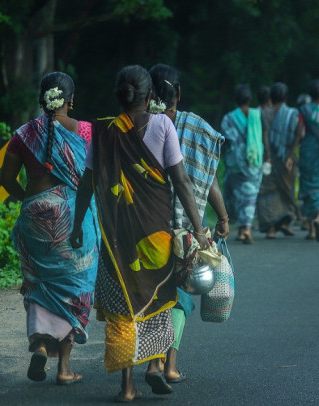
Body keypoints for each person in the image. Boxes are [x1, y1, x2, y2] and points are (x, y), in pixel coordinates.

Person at [70, 65, 209, 403]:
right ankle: (154, 367)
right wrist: (199, 230)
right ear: (149, 97)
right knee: (157, 300)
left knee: (122, 307)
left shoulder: (103, 132)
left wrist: (76, 225)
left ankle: (127, 386)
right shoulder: (163, 124)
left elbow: (87, 182)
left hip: (118, 241)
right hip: (156, 237)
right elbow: (181, 182)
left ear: (119, 96)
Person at [1, 72, 100, 386]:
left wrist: (30, 201)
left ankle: (42, 345)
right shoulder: (86, 131)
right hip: (74, 216)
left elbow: (5, 181)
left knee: (40, 285)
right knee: (74, 287)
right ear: (71, 100)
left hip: (34, 217)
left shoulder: (23, 134)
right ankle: (65, 368)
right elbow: (97, 177)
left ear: (42, 99)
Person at [149, 64, 229, 385]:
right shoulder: (198, 128)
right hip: (186, 230)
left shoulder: (137, 126)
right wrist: (220, 217)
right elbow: (208, 180)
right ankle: (169, 363)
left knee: (151, 296)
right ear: (178, 94)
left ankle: (151, 363)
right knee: (180, 296)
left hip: (145, 229)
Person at [288, 79, 319, 241]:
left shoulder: (304, 110)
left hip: (308, 151)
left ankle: (311, 229)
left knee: (307, 187)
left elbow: (299, 132)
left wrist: (290, 152)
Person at [221, 84, 264, 244]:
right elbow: (263, 136)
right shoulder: (257, 116)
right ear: (250, 99)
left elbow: (225, 140)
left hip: (235, 163)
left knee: (239, 196)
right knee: (250, 196)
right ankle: (246, 229)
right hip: (253, 161)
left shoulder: (229, 118)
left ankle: (241, 230)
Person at [257, 82, 299, 239]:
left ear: (271, 97)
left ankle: (271, 229)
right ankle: (285, 223)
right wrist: (290, 155)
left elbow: (265, 136)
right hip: (287, 159)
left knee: (268, 193)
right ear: (286, 97)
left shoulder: (264, 113)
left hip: (268, 159)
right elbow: (298, 135)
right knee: (286, 190)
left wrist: (267, 156)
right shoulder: (292, 114)